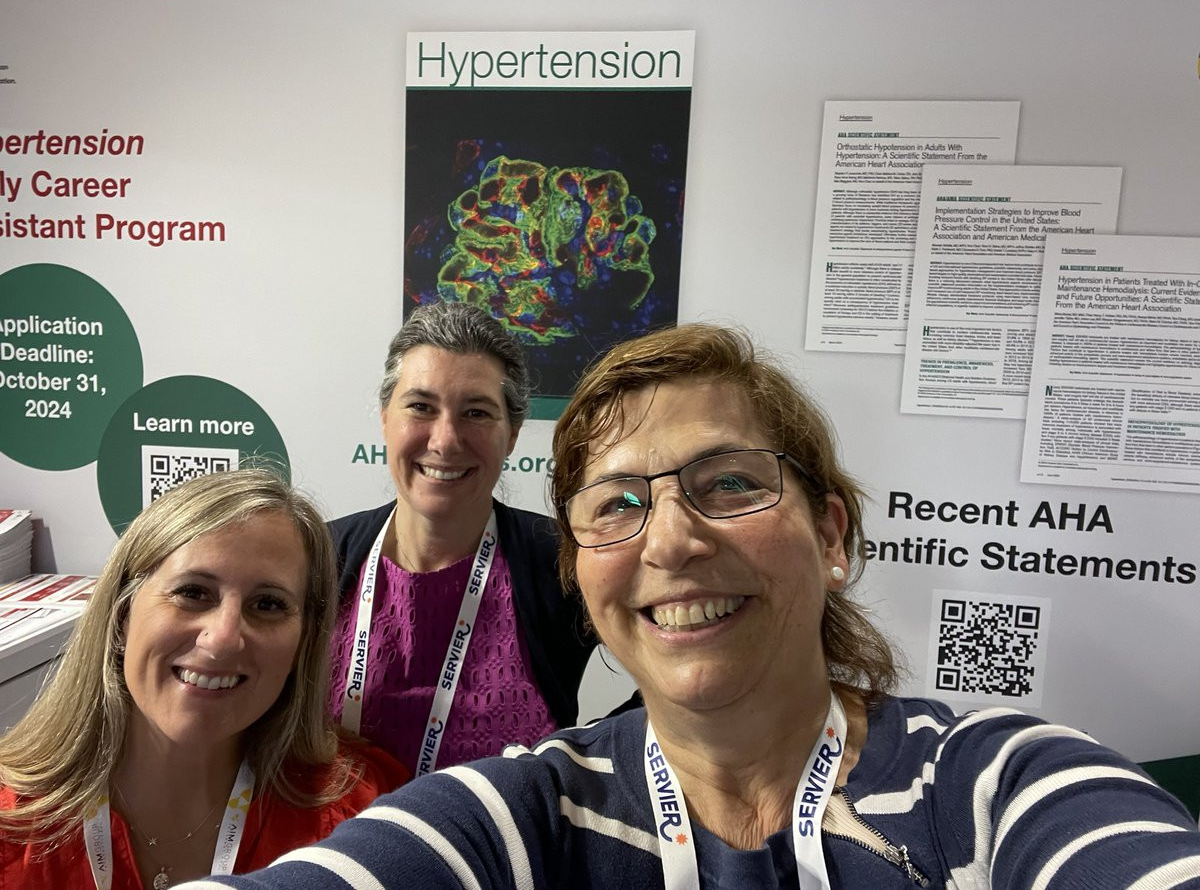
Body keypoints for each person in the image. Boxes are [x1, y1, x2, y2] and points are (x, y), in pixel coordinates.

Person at [180, 325, 1200, 889]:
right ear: (587, 569)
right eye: (617, 505)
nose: (669, 542)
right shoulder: (531, 812)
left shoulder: (994, 785)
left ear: (832, 535)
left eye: (730, 484)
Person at [0, 469, 408, 889]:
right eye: (193, 593)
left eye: (268, 604)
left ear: (304, 642)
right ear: (122, 614)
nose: (223, 639)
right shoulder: (10, 823)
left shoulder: (359, 813)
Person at [325, 301, 599, 776]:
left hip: (505, 830)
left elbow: (682, 659)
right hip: (342, 828)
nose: (445, 440)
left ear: (512, 435)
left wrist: (596, 761)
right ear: (385, 417)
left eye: (476, 412)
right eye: (420, 407)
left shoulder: (565, 561)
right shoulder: (319, 557)